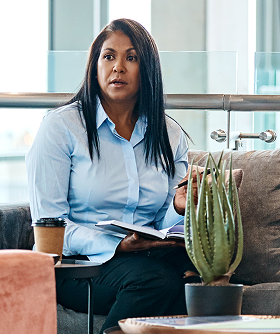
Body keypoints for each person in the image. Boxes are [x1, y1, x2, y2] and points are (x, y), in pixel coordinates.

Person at [26, 18, 193, 333]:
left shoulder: (168, 134)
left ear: (148, 71)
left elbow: (165, 222)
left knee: (199, 278)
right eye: (109, 56)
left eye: (131, 58)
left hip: (146, 257)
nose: (118, 67)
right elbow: (50, 225)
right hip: (80, 266)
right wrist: (115, 246)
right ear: (95, 66)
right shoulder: (62, 128)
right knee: (157, 282)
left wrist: (179, 207)